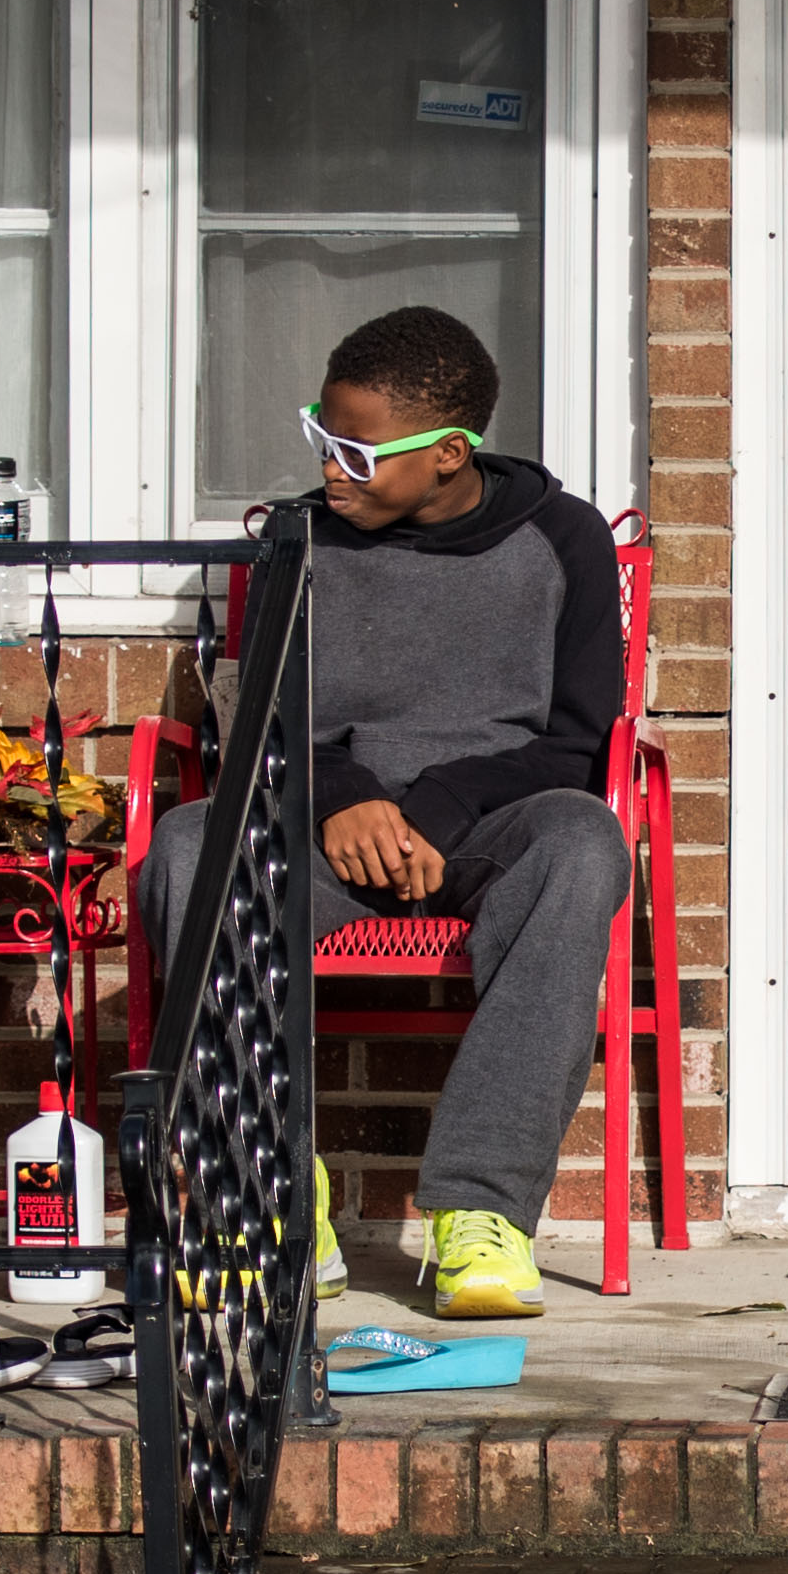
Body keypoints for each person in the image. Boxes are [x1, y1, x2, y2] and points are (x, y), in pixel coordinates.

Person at [138, 305, 632, 1325]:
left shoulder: (561, 537)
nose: (332, 468)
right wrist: (345, 797)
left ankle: (481, 1214)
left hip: (492, 825)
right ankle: (268, 1193)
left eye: (357, 450)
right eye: (323, 437)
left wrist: (436, 807)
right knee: (187, 848)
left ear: (448, 453)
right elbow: (264, 719)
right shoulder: (295, 541)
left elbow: (582, 737)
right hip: (332, 831)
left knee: (583, 844)